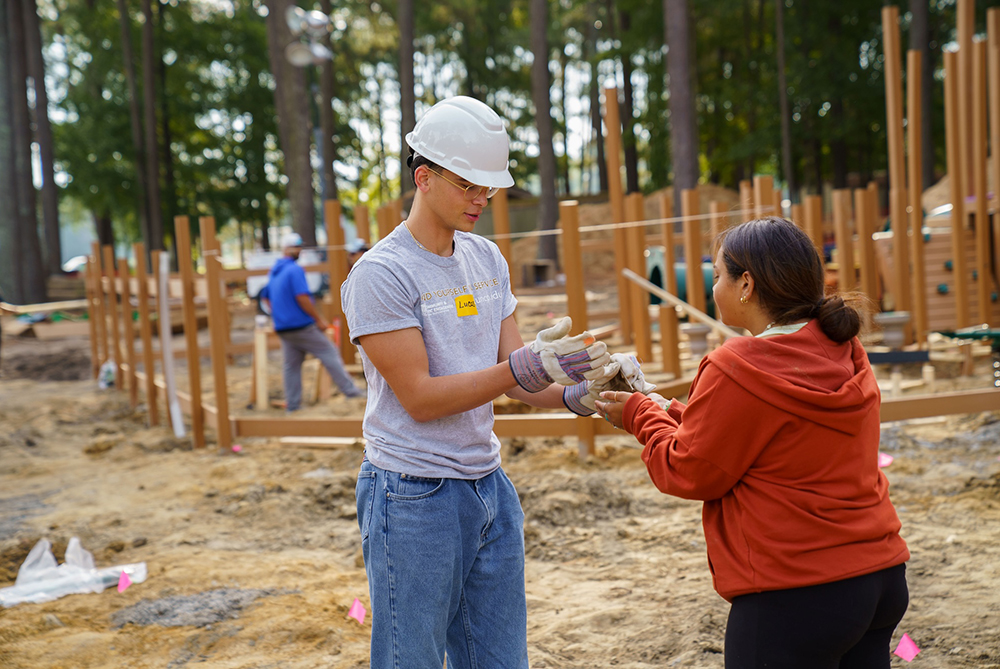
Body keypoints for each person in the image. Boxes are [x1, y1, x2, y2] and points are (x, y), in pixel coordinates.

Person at [341, 95, 620, 669]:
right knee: (411, 660)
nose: (481, 199)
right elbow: (421, 398)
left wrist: (574, 393)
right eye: (468, 184)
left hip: (488, 484)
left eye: (488, 187)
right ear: (423, 177)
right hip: (413, 493)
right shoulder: (381, 274)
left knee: (500, 660)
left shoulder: (486, 258)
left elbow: (514, 376)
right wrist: (521, 368)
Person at [596, 216, 910, 669]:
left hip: (797, 588)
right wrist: (668, 410)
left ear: (746, 284)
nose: (713, 287)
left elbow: (689, 470)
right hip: (879, 574)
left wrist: (638, 415)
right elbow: (756, 436)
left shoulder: (738, 364)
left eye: (718, 275)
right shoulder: (842, 347)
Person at [263, 231, 364, 410]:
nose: (299, 250)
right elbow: (302, 297)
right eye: (296, 247)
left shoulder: (274, 271)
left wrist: (279, 314)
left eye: (300, 247)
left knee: (291, 366)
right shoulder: (295, 270)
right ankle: (350, 391)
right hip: (301, 325)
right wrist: (318, 320)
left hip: (283, 327)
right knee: (329, 352)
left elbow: (266, 298)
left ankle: (293, 406)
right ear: (286, 249)